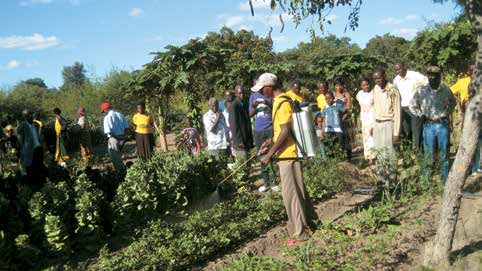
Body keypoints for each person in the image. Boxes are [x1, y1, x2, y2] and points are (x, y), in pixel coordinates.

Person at [257, 72, 318, 244]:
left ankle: (300, 233)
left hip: (287, 155)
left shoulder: (282, 102)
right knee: (298, 192)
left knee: (291, 196)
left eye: (262, 89)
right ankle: (311, 224)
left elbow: (285, 131)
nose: (261, 93)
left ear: (270, 87)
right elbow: (282, 131)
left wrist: (269, 155)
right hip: (287, 153)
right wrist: (270, 142)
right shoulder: (281, 101)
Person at [410, 66, 456, 185]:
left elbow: (453, 102)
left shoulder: (445, 90)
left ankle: (444, 181)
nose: (433, 77)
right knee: (429, 154)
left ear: (440, 76)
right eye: (430, 75)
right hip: (428, 125)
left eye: (435, 75)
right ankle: (427, 182)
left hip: (442, 125)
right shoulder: (421, 91)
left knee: (444, 154)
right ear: (427, 76)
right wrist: (421, 115)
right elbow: (412, 105)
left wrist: (446, 113)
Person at [393, 62, 428, 150]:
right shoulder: (396, 80)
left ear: (405, 67)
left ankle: (419, 154)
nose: (398, 71)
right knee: (407, 132)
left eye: (399, 69)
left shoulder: (415, 75)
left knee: (417, 132)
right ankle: (408, 154)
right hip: (403, 109)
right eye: (396, 70)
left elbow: (427, 82)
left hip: (415, 108)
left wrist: (422, 96)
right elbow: (395, 93)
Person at [250, 76, 275, 192]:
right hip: (258, 130)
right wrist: (255, 107)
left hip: (270, 128)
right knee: (262, 156)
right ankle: (266, 182)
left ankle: (274, 182)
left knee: (272, 155)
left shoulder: (270, 95)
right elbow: (250, 114)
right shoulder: (253, 96)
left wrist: (267, 102)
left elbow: (275, 108)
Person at [372, 69, 401, 155]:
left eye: (379, 78)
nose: (377, 80)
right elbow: (375, 108)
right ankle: (381, 168)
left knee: (389, 151)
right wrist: (373, 125)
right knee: (379, 151)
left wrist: (396, 133)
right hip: (377, 123)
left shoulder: (392, 90)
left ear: (384, 76)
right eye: (375, 79)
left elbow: (397, 112)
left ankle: (391, 169)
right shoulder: (376, 88)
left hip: (388, 124)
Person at [17, 109, 45, 183]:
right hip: (29, 150)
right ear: (25, 117)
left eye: (31, 114)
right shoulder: (22, 125)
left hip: (38, 148)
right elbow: (20, 138)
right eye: (29, 115)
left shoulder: (35, 124)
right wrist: (24, 148)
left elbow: (39, 136)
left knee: (39, 166)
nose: (32, 116)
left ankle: (41, 184)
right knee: (30, 169)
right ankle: (32, 186)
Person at [101, 102, 129, 172]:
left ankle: (121, 173)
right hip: (122, 138)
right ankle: (124, 172)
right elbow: (126, 128)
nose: (103, 113)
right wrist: (123, 139)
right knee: (119, 157)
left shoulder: (106, 118)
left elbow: (109, 132)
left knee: (115, 159)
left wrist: (119, 139)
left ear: (106, 109)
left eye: (103, 111)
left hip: (113, 139)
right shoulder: (120, 114)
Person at [319, 92, 348, 158]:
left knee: (339, 147)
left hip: (338, 130)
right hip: (328, 130)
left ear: (333, 98)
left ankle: (342, 162)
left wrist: (341, 120)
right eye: (326, 99)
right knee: (329, 148)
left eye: (330, 98)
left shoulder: (338, 105)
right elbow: (324, 121)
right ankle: (333, 163)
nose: (328, 100)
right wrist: (322, 133)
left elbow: (346, 113)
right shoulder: (325, 108)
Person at [229, 86, 253, 160]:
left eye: (243, 93)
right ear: (236, 94)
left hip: (246, 138)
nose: (242, 95)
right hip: (240, 141)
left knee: (248, 163)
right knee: (243, 163)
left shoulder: (244, 104)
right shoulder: (234, 106)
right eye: (239, 93)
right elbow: (233, 125)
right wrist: (239, 141)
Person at [333, 77, 353, 159]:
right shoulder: (333, 94)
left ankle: (348, 158)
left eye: (340, 85)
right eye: (336, 86)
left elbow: (349, 108)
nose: (338, 88)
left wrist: (343, 118)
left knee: (346, 139)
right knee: (337, 139)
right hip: (335, 120)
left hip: (345, 119)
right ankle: (339, 157)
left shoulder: (346, 94)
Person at [356, 77, 375, 161]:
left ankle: (374, 157)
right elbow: (359, 105)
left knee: (373, 137)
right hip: (364, 119)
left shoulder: (374, 93)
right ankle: (367, 157)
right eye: (363, 85)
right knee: (366, 138)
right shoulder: (359, 94)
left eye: (367, 84)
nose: (365, 86)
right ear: (360, 86)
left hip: (372, 118)